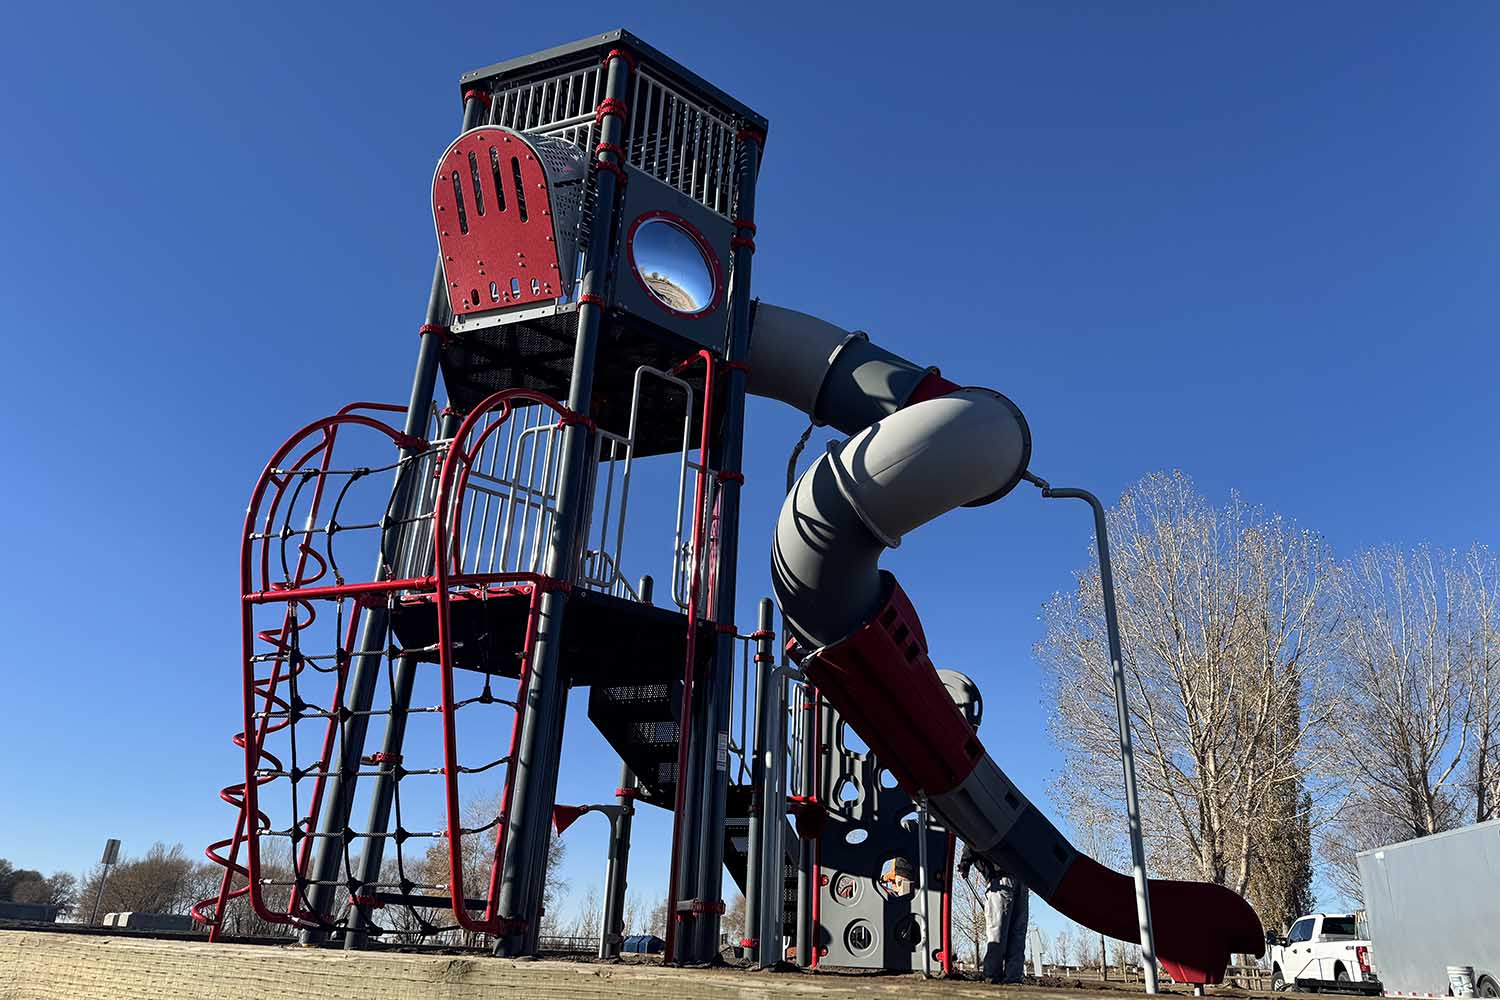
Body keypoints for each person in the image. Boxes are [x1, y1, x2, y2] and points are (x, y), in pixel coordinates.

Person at [958, 843, 1028, 984]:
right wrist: (965, 862)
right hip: (1000, 877)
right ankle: (992, 977)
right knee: (998, 930)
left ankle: (1013, 978)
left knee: (1018, 932)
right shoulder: (982, 824)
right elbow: (973, 838)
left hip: (1022, 878)